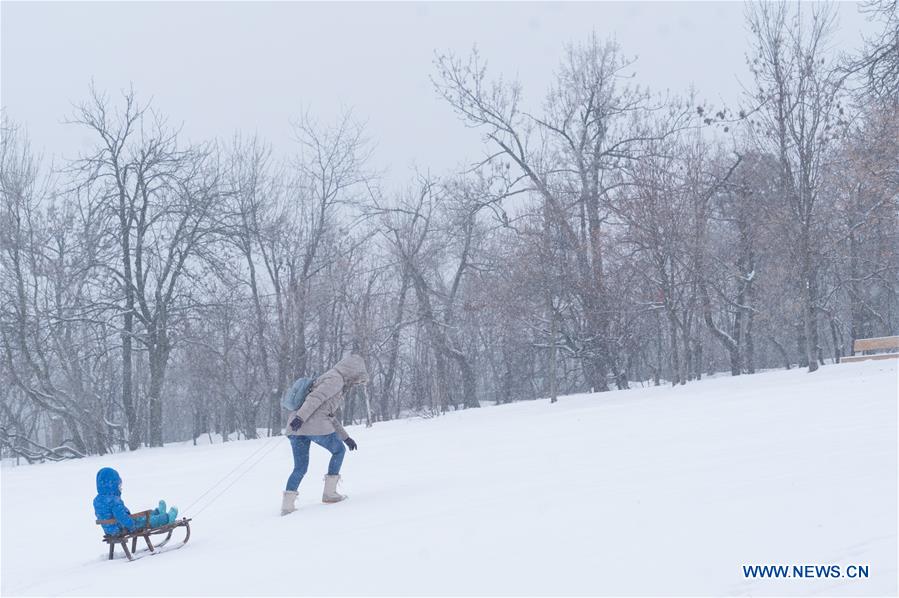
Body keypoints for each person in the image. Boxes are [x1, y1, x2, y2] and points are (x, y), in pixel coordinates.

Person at [281, 352, 368, 515]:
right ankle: (329, 494)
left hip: (296, 428)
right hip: (313, 426)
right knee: (339, 451)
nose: (356, 383)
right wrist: (301, 417)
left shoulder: (330, 378)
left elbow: (328, 414)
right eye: (357, 378)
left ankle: (287, 506)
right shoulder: (336, 380)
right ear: (352, 371)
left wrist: (346, 437)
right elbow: (315, 399)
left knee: (300, 467)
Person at [93, 467, 179, 535]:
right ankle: (167, 518)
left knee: (141, 518)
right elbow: (122, 516)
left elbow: (102, 516)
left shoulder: (98, 500)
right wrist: (132, 526)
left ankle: (158, 512)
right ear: (112, 485)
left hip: (111, 529)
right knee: (146, 521)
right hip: (123, 528)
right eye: (119, 485)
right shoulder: (114, 501)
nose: (120, 488)